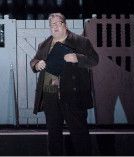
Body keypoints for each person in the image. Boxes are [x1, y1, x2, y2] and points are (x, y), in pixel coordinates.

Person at [30, 13, 99, 155]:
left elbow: (94, 60)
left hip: (72, 94)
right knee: (54, 135)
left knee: (80, 134)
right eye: (52, 24)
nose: (54, 26)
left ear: (65, 25)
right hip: (51, 93)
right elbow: (34, 60)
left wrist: (77, 58)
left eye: (58, 23)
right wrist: (37, 64)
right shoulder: (44, 44)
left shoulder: (81, 42)